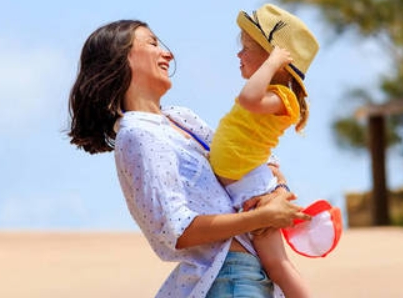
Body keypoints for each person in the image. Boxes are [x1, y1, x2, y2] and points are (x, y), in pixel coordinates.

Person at [67, 19, 311, 297]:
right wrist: (262, 217)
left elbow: (243, 155)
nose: (168, 53)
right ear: (121, 58)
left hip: (254, 272)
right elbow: (176, 229)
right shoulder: (137, 134)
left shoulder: (180, 118)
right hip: (228, 276)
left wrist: (278, 189)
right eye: (152, 43)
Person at [208, 4, 319, 298]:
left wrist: (270, 64)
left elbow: (248, 99)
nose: (239, 55)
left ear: (276, 60)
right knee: (271, 263)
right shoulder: (271, 94)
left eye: (247, 48)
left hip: (252, 186)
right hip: (243, 186)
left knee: (276, 264)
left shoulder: (283, 98)